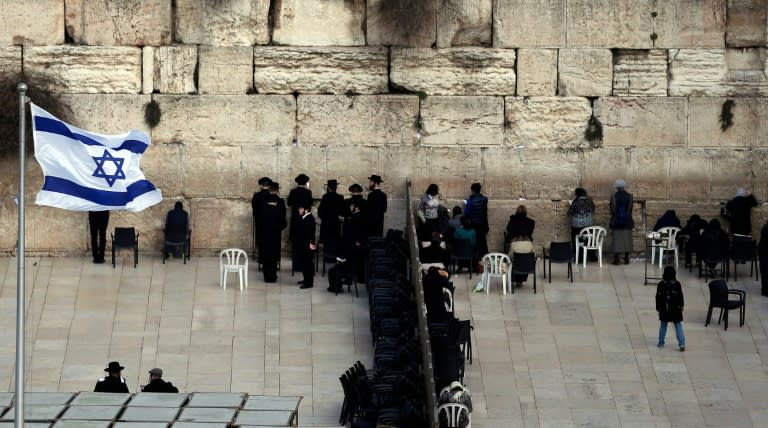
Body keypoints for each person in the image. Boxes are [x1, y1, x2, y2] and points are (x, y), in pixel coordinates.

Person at [259, 184, 287, 283]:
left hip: (264, 237)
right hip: (275, 237)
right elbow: (284, 224)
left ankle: (266, 276)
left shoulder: (263, 210)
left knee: (266, 256)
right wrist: (277, 229)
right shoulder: (278, 211)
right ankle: (273, 276)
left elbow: (260, 223)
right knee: (274, 257)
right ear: (275, 202)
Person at [656, 266, 686, 351]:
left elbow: (657, 297)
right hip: (675, 309)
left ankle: (661, 342)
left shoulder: (660, 284)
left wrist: (658, 308)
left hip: (664, 309)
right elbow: (680, 296)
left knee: (663, 325)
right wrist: (681, 305)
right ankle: (682, 344)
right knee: (678, 325)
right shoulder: (677, 284)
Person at [287, 174, 312, 273]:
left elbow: (289, 203)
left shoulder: (293, 192)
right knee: (304, 241)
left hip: (295, 220)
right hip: (305, 219)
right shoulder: (308, 192)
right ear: (306, 182)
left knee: (295, 242)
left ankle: (296, 264)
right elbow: (310, 205)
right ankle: (303, 264)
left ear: (297, 182)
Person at [506, 205, 535, 287]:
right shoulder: (530, 222)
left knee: (513, 257)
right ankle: (521, 279)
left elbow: (509, 230)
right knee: (525, 256)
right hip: (527, 244)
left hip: (515, 243)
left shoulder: (513, 221)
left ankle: (515, 277)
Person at [318, 179, 345, 260]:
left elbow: (320, 211)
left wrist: (324, 218)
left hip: (326, 224)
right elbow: (342, 211)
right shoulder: (340, 197)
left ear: (328, 187)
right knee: (335, 241)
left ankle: (327, 258)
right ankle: (334, 258)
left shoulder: (325, 197)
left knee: (327, 241)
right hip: (336, 224)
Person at [609, 179, 634, 265]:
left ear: (616, 187)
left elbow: (612, 209)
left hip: (616, 221)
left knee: (617, 240)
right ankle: (626, 259)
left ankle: (617, 259)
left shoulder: (613, 196)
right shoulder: (630, 196)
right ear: (624, 186)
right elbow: (630, 209)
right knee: (627, 239)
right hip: (627, 221)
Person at [567, 187, 595, 258]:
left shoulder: (575, 202)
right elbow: (593, 209)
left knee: (576, 238)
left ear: (577, 194)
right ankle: (592, 256)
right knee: (590, 238)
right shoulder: (589, 201)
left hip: (577, 226)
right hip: (588, 225)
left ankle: (578, 256)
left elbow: (569, 212)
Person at [464, 182, 489, 257]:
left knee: (474, 243)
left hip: (473, 225)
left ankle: (475, 260)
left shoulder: (470, 201)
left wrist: (468, 201)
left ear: (473, 191)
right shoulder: (484, 199)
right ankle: (484, 258)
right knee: (482, 242)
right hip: (482, 224)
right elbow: (485, 200)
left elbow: (466, 213)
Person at [296, 202, 317, 289]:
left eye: (301, 209)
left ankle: (309, 283)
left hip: (307, 246)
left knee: (308, 264)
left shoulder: (309, 219)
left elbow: (309, 234)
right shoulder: (305, 218)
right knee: (305, 263)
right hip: (304, 245)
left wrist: (310, 244)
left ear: (306, 210)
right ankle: (305, 279)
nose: (299, 210)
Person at [251, 177, 272, 261]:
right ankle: (267, 256)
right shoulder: (271, 195)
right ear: (269, 186)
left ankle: (260, 256)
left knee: (260, 238)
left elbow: (254, 207)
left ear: (260, 186)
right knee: (268, 238)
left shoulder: (256, 195)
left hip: (259, 220)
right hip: (269, 221)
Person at [758, 220, 768, 296]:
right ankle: (765, 290)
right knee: (765, 272)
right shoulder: (766, 229)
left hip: (763, 253)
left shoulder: (765, 228)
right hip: (765, 253)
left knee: (765, 273)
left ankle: (765, 290)